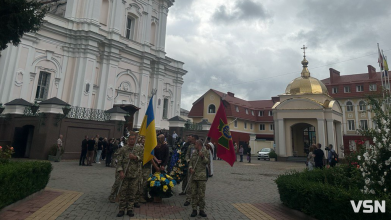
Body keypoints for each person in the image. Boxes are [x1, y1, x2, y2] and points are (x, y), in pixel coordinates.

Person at [116, 132, 142, 217]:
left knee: (132, 193)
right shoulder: (123, 149)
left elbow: (142, 158)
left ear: (135, 140)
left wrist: (135, 157)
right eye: (130, 139)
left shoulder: (138, 149)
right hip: (125, 175)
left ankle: (130, 209)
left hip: (134, 175)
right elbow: (119, 162)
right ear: (128, 140)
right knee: (123, 193)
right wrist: (121, 172)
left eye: (133, 139)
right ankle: (121, 209)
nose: (131, 140)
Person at [189, 140, 209, 218]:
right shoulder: (194, 152)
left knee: (201, 195)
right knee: (193, 194)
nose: (195, 144)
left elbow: (207, 162)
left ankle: (201, 210)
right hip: (194, 177)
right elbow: (191, 162)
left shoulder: (205, 151)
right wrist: (190, 168)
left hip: (201, 177)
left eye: (196, 144)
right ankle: (194, 209)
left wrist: (202, 156)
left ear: (199, 145)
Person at [184, 134, 198, 206]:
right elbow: (187, 155)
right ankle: (188, 199)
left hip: (197, 169)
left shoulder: (200, 147)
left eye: (192, 139)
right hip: (190, 167)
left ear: (195, 139)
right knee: (189, 184)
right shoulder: (190, 146)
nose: (191, 140)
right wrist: (188, 160)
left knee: (196, 185)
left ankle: (195, 199)